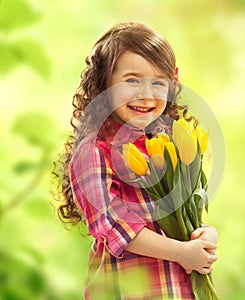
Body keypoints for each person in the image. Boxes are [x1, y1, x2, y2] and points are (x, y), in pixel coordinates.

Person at [54, 22, 218, 299]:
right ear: (104, 83)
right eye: (132, 80)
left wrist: (204, 236)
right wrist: (181, 252)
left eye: (157, 82)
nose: (146, 93)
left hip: (178, 289)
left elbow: (186, 211)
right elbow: (115, 224)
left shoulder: (169, 145)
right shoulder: (93, 152)